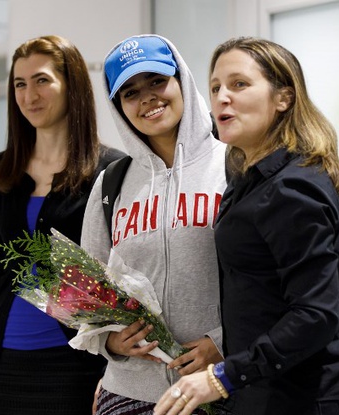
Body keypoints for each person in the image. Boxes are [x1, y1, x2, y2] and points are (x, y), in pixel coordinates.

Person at [155, 36, 339, 415]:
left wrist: (223, 376)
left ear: (284, 98)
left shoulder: (293, 188)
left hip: (320, 398)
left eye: (239, 84)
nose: (221, 97)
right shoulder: (249, 177)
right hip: (271, 392)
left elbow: (316, 314)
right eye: (215, 88)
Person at [0, 35, 124, 415]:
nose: (28, 95)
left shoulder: (110, 170)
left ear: (72, 86)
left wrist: (114, 371)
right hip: (5, 360)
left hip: (74, 362)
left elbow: (117, 273)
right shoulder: (2, 170)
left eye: (41, 80)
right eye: (19, 84)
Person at [79, 34, 228, 415]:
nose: (147, 98)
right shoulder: (110, 184)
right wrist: (110, 342)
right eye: (130, 92)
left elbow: (267, 281)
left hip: (217, 387)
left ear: (181, 80)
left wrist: (224, 343)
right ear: (119, 106)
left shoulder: (233, 165)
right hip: (128, 393)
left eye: (157, 81)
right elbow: (87, 294)